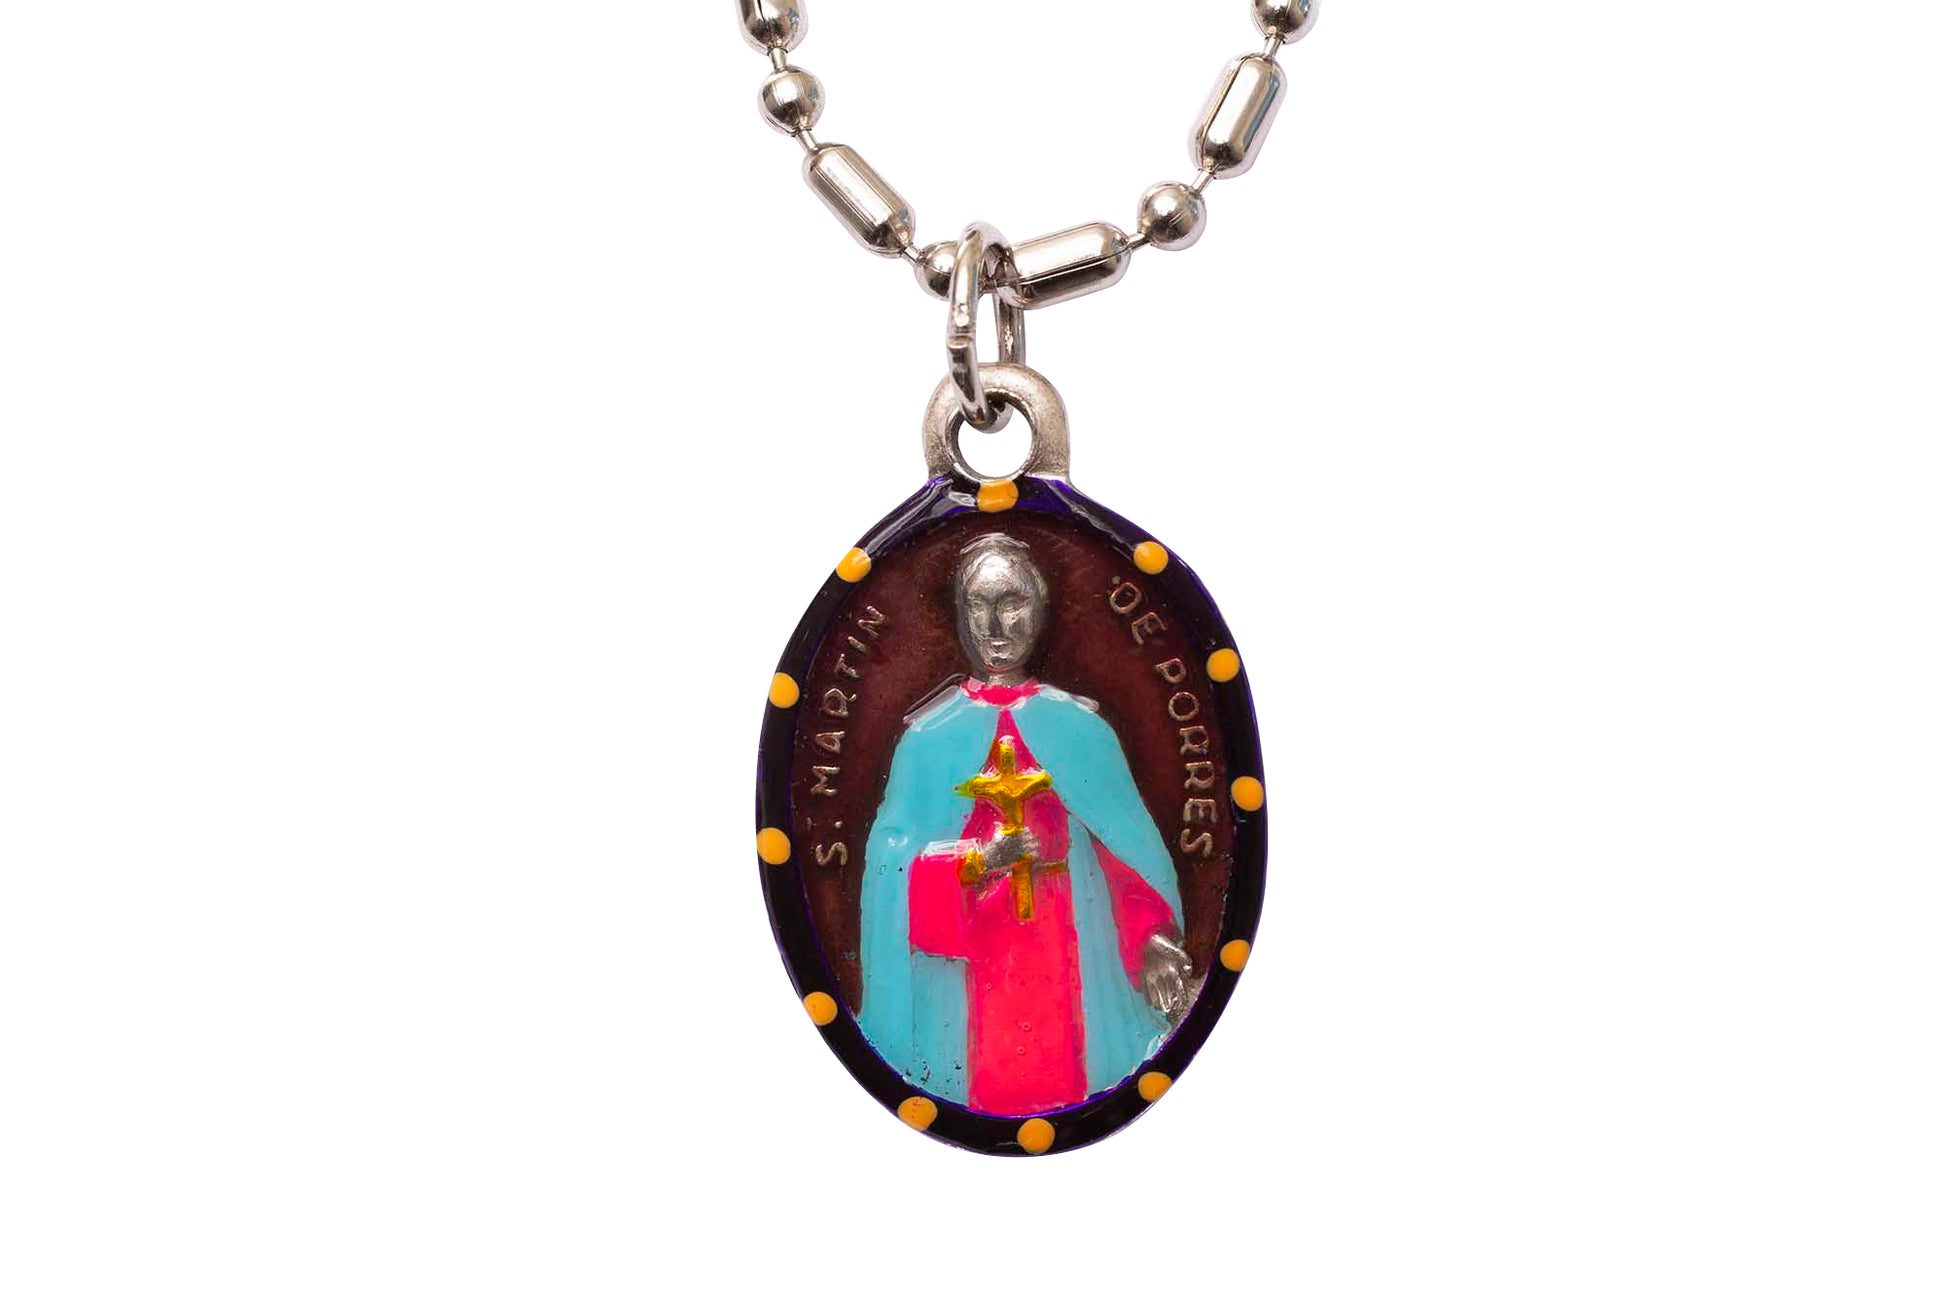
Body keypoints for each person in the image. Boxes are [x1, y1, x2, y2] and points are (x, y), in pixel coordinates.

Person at [857, 534, 1195, 1116]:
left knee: (1069, 1068)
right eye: (979, 605)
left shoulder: (1082, 731)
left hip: (1071, 951)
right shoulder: (927, 740)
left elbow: (1121, 854)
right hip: (969, 965)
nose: (995, 624)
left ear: (1039, 610)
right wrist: (975, 860)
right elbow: (890, 868)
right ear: (960, 615)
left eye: (1011, 602)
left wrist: (1154, 937)